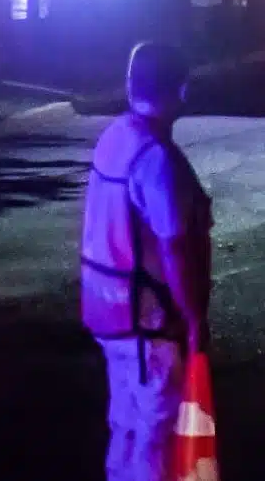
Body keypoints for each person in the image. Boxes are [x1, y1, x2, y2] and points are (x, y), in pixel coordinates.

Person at [80, 42, 213, 481]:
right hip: (146, 323)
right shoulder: (156, 159)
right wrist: (194, 319)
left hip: (108, 312)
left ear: (129, 85)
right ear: (182, 90)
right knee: (155, 434)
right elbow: (174, 246)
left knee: (126, 427)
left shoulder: (116, 137)